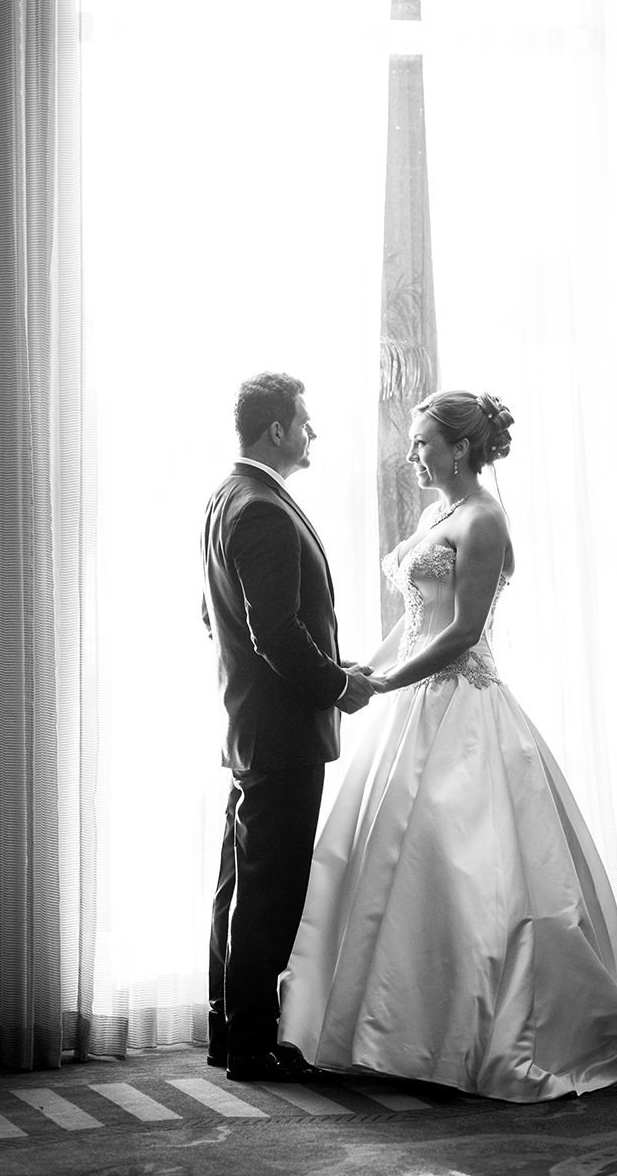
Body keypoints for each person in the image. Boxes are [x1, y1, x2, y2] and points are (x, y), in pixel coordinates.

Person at [278, 389, 617, 1102]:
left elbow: (462, 633)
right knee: (388, 864)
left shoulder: (485, 518)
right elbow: (415, 621)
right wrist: (366, 673)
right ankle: (386, 1027)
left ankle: (467, 1032)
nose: (412, 455)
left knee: (464, 866)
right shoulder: (436, 514)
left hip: (462, 706)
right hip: (413, 701)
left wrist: (383, 685)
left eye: (422, 443)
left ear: (461, 448)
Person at [201, 371, 375, 1084]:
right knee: (269, 891)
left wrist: (330, 662)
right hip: (279, 733)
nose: (313, 432)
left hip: (253, 724)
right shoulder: (263, 509)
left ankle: (228, 1030)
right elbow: (273, 630)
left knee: (240, 884)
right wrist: (336, 685)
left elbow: (218, 616)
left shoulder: (229, 498)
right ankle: (251, 1045)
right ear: (277, 429)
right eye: (305, 421)